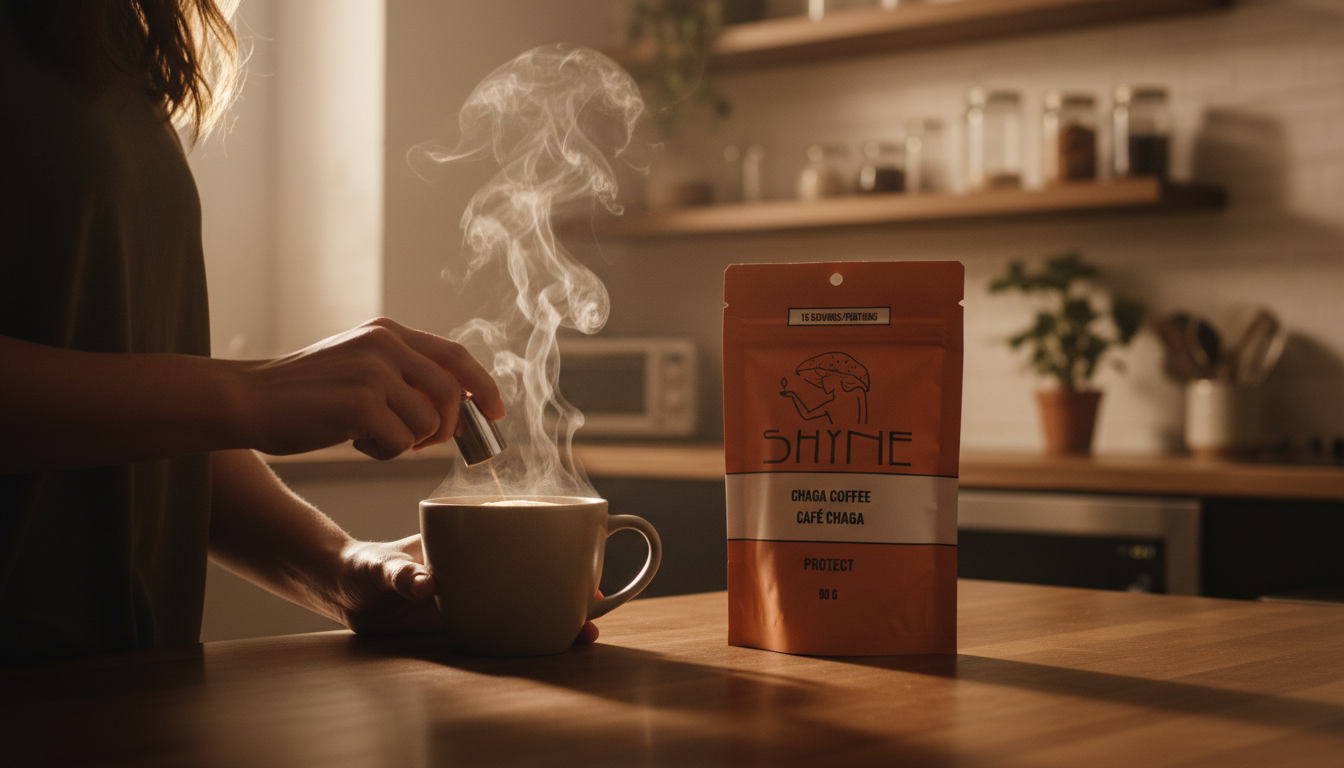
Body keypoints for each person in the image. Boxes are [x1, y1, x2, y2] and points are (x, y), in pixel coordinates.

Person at [0, 0, 597, 663]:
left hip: (138, 691)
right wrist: (250, 394)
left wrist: (343, 570)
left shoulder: (111, 32)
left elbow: (148, 423)